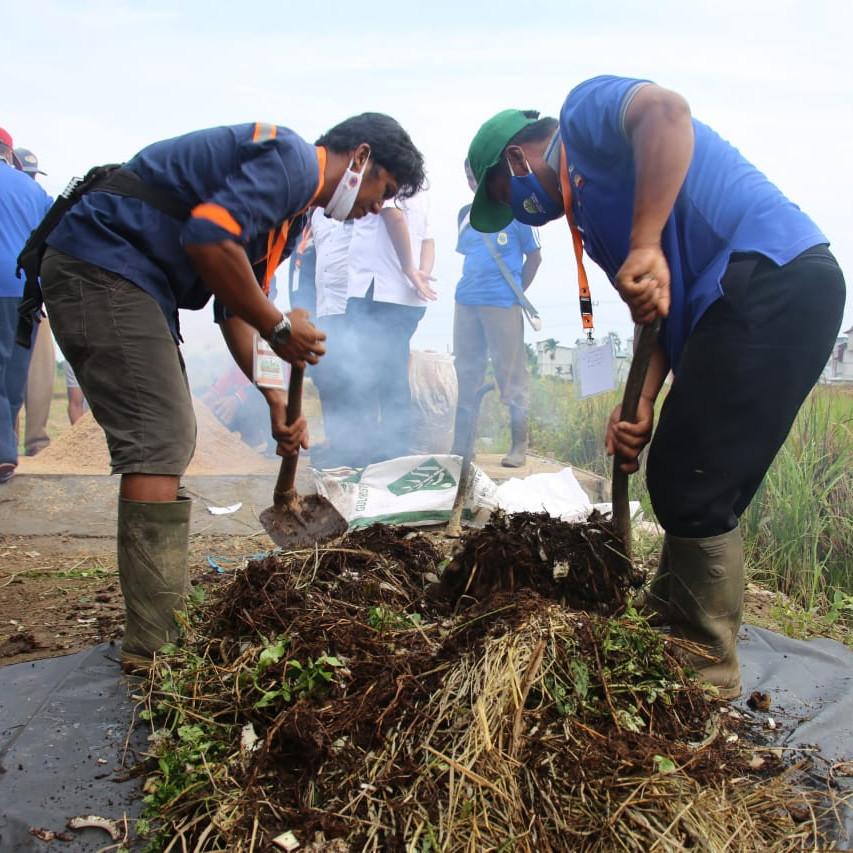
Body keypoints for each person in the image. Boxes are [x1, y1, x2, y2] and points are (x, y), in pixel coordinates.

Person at [467, 77, 846, 699]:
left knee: (691, 480)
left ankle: (702, 668)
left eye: (509, 196)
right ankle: (671, 616)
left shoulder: (583, 118)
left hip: (769, 275)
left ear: (516, 158)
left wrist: (644, 245)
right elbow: (661, 310)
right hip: (727, 304)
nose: (519, 211)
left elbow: (667, 112)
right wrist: (640, 399)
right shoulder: (591, 216)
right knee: (691, 471)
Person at [36, 115, 425, 670]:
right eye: (382, 191)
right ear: (360, 158)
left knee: (169, 433)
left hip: (133, 277)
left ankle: (158, 626)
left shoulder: (291, 219)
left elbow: (235, 307)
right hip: (104, 261)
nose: (373, 208)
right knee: (160, 434)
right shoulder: (292, 163)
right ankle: (154, 643)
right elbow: (208, 236)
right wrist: (281, 328)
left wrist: (273, 399)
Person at [452, 158, 541, 467]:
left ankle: (519, 445)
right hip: (466, 301)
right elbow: (470, 256)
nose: (472, 183)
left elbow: (535, 257)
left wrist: (515, 293)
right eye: (467, 178)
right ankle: (462, 446)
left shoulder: (517, 210)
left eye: (476, 176)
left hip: (503, 303)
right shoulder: (465, 215)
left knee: (511, 374)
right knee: (466, 371)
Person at [342, 189, 437, 466]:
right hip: (406, 295)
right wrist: (421, 275)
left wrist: (411, 270)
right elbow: (428, 240)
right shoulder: (422, 193)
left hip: (379, 291)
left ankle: (379, 454)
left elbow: (394, 217)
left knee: (367, 373)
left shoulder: (390, 182)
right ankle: (387, 450)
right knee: (392, 372)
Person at [0, 128, 51, 483]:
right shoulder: (33, 189)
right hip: (28, 290)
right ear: (12, 155)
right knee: (14, 375)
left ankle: (3, 453)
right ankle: (8, 449)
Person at [15, 147, 56, 456]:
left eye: (33, 175)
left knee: (38, 370)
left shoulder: (34, 195)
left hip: (33, 298)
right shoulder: (34, 195)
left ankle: (37, 445)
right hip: (23, 292)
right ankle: (16, 443)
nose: (30, 179)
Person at [308, 206, 354, 467]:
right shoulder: (315, 215)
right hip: (324, 308)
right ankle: (336, 442)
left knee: (351, 380)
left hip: (350, 306)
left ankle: (355, 447)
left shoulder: (360, 210)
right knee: (326, 379)